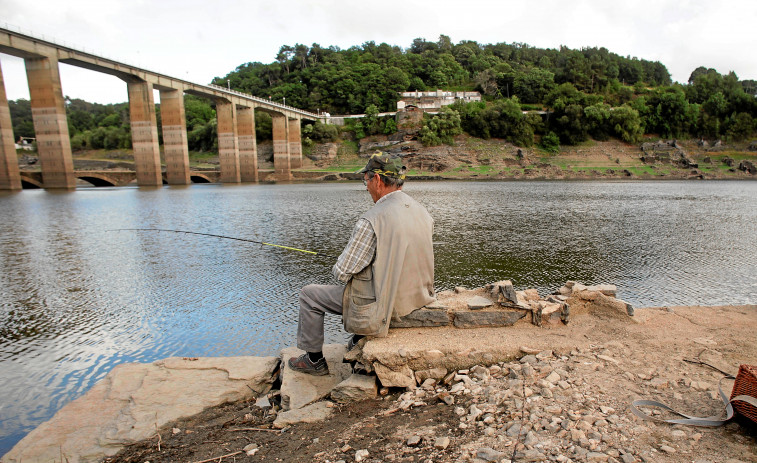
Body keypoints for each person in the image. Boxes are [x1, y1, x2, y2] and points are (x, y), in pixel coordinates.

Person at [288, 152, 436, 375]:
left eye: (365, 180)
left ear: (376, 179)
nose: (366, 187)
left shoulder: (372, 219)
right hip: (418, 297)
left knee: (309, 295)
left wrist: (342, 262)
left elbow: (342, 272)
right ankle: (357, 338)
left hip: (387, 305)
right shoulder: (422, 212)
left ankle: (314, 360)